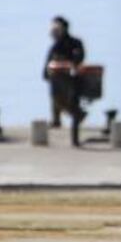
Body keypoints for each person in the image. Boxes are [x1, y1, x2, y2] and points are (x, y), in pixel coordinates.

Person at [42, 15, 86, 146]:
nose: (53, 32)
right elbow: (48, 62)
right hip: (56, 79)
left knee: (70, 104)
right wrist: (46, 73)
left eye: (57, 29)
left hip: (72, 79)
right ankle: (58, 119)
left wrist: (72, 63)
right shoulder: (55, 45)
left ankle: (74, 132)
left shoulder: (74, 42)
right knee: (57, 99)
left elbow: (79, 56)